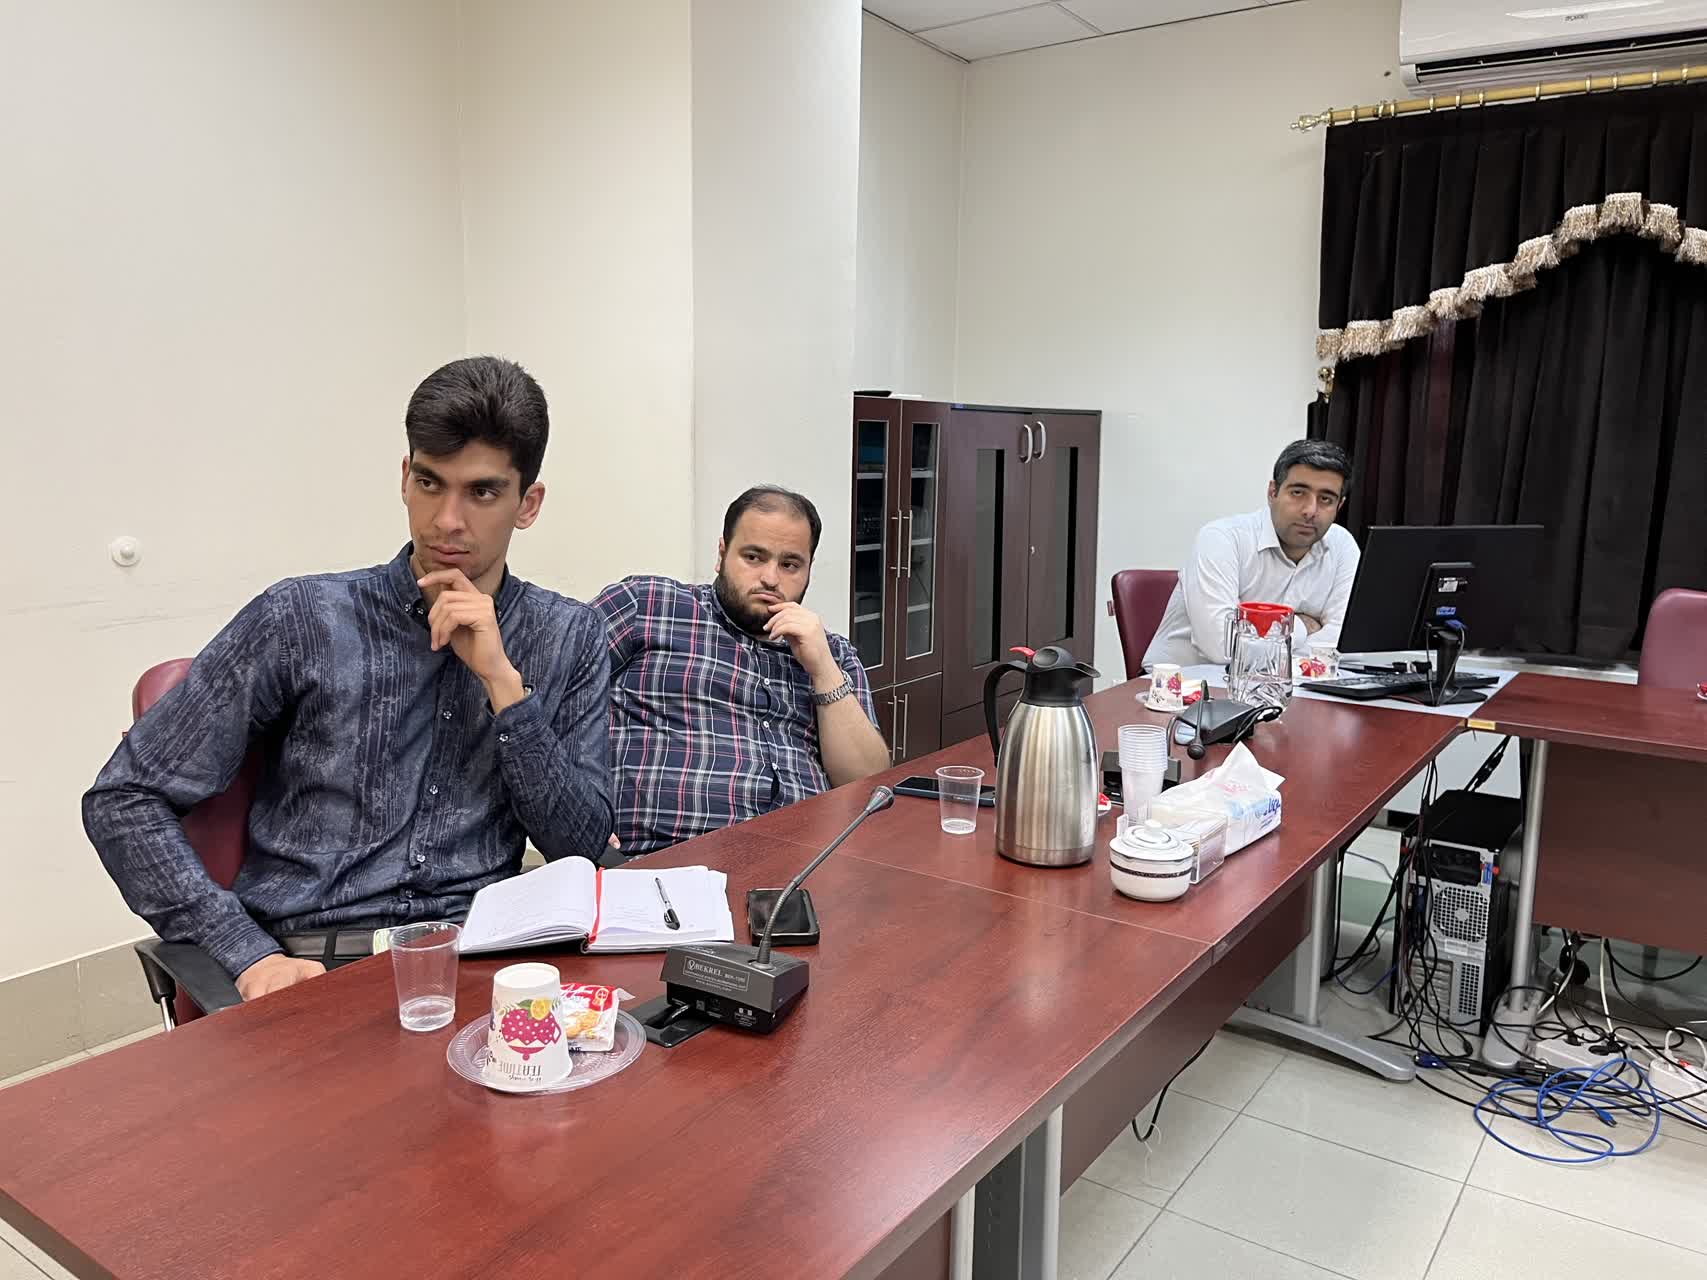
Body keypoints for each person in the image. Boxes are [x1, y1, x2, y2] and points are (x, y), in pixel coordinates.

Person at [84, 356, 613, 1002]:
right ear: (404, 477)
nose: (447, 520)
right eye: (429, 482)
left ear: (527, 504)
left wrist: (504, 686)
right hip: (313, 963)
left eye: (481, 492)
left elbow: (580, 848)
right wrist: (247, 953)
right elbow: (123, 799)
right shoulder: (301, 618)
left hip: (480, 962)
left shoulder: (568, 636)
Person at [593, 486, 891, 855]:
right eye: (753, 557)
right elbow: (547, 694)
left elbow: (867, 783)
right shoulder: (649, 605)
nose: (771, 578)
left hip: (805, 865)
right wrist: (581, 806)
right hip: (663, 858)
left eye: (790, 565)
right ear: (721, 554)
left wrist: (823, 670)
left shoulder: (832, 653)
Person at [1143, 439, 1359, 668]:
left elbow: (1343, 641)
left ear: (1339, 506)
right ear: (1272, 492)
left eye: (1325, 499)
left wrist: (1268, 647)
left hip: (1290, 683)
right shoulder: (1221, 539)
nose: (1310, 510)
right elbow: (1222, 646)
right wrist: (1301, 626)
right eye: (1298, 493)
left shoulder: (1342, 546)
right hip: (1185, 683)